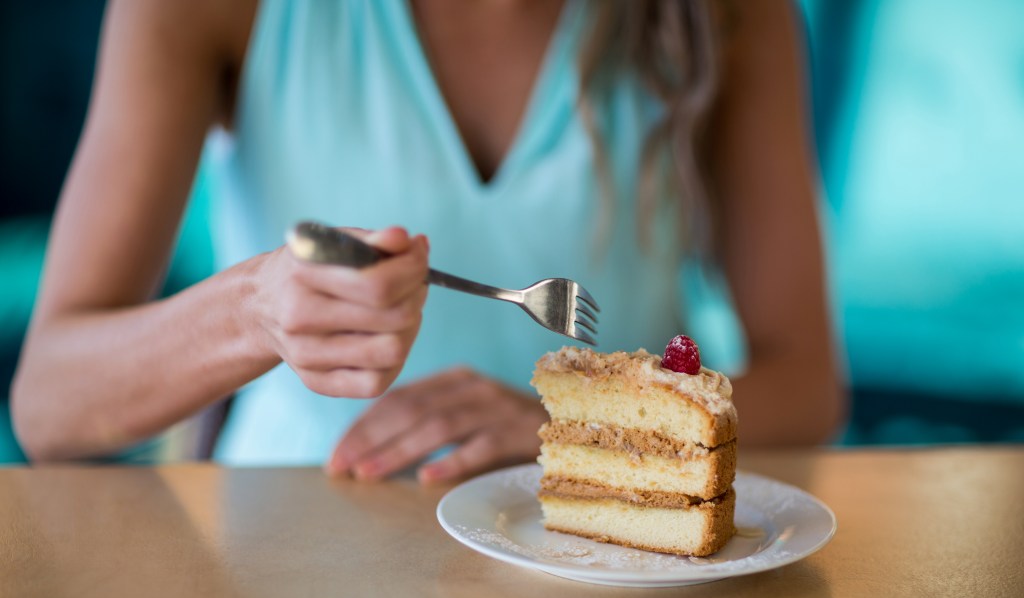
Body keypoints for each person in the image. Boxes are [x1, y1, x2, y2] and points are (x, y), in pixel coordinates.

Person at [11, 0, 843, 482]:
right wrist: (252, 312)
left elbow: (807, 386)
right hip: (293, 543)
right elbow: (50, 405)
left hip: (615, 557)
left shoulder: (737, 16)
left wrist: (586, 424)